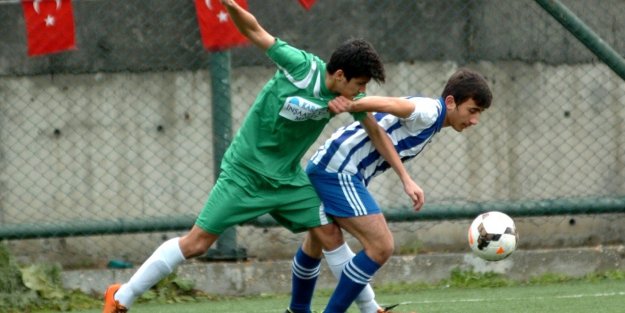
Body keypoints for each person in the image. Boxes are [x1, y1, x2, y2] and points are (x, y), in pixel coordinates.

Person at [101, 0, 393, 312]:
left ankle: (370, 308)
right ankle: (121, 297)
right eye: (359, 84)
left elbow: (375, 129)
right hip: (244, 174)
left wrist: (404, 177)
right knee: (197, 243)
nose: (361, 91)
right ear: (338, 74)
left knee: (329, 233)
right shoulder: (299, 66)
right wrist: (228, 4)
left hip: (287, 180)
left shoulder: (350, 97)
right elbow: (255, 30)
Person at [286, 68, 493, 313]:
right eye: (472, 110)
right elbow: (389, 103)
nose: (474, 120)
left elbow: (382, 128)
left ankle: (303, 309)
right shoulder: (429, 111)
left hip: (333, 167)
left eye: (479, 113)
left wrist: (405, 178)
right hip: (337, 170)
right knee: (381, 245)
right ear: (450, 102)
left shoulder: (433, 119)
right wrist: (353, 103)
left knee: (320, 238)